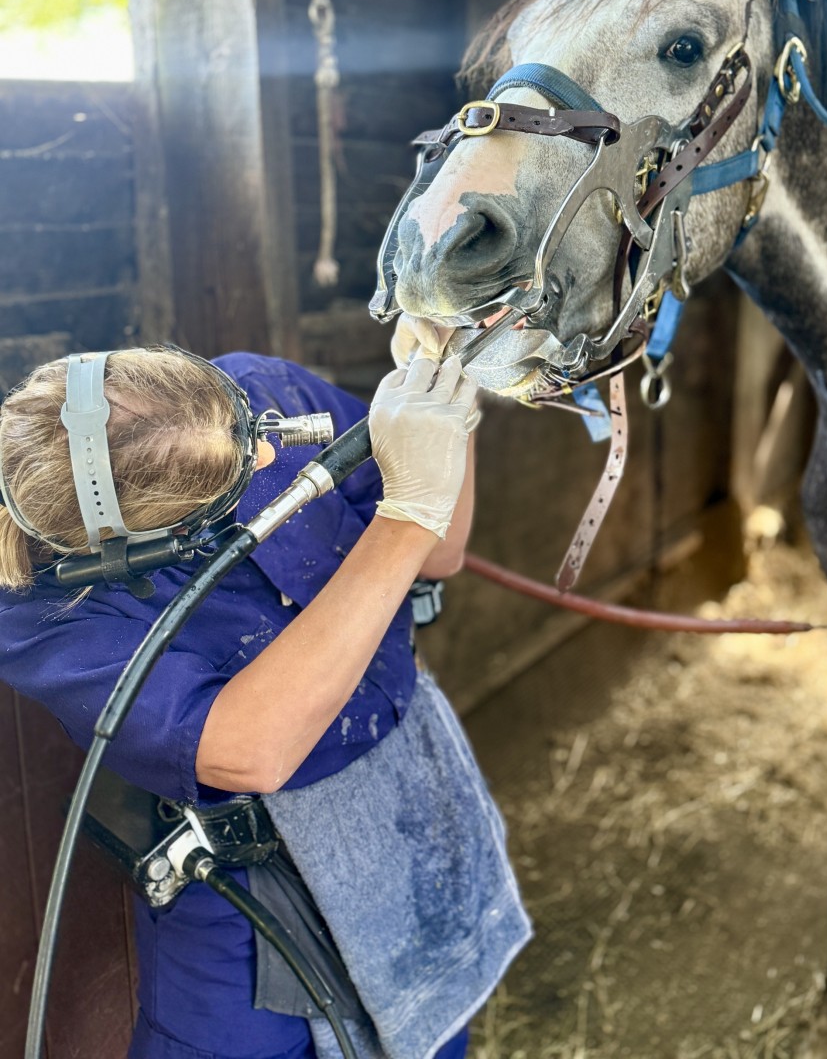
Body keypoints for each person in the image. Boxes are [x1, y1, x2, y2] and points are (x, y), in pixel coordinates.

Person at [0, 344, 531, 1059]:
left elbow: (441, 554)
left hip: (401, 810)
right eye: (229, 489)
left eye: (251, 428)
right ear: (150, 544)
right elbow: (250, 750)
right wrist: (405, 520)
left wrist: (445, 409)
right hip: (244, 889)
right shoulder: (47, 612)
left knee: (430, 1033)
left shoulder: (258, 391)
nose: (267, 458)